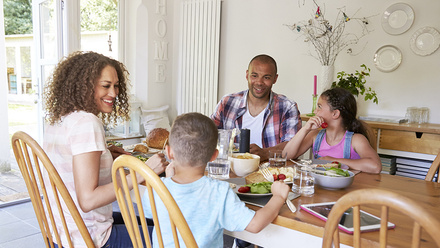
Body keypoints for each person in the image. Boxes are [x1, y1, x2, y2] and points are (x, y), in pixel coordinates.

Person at [43, 51, 169, 248]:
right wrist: (146, 171)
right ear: (84, 86)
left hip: (61, 234)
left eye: (116, 86)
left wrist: (104, 154)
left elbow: (70, 162)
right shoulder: (86, 122)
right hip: (89, 238)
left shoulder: (60, 120)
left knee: (158, 224)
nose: (114, 93)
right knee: (178, 234)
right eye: (106, 86)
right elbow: (88, 200)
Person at [141, 112, 290, 248]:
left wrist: (168, 179)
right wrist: (278, 196)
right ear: (214, 156)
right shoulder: (219, 192)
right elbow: (255, 224)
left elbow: (153, 212)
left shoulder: (156, 189)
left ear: (169, 152)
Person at [210, 54, 302, 161]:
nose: (259, 82)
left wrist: (265, 153)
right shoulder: (227, 102)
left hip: (270, 172)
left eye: (266, 77)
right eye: (254, 76)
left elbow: (292, 146)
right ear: (247, 75)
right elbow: (209, 134)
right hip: (231, 169)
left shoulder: (287, 107)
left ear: (275, 79)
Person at [283, 87, 382, 173]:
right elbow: (286, 156)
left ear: (335, 114)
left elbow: (375, 166)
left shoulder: (356, 140)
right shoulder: (315, 136)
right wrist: (305, 129)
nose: (315, 111)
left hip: (347, 191)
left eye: (319, 107)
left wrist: (332, 160)